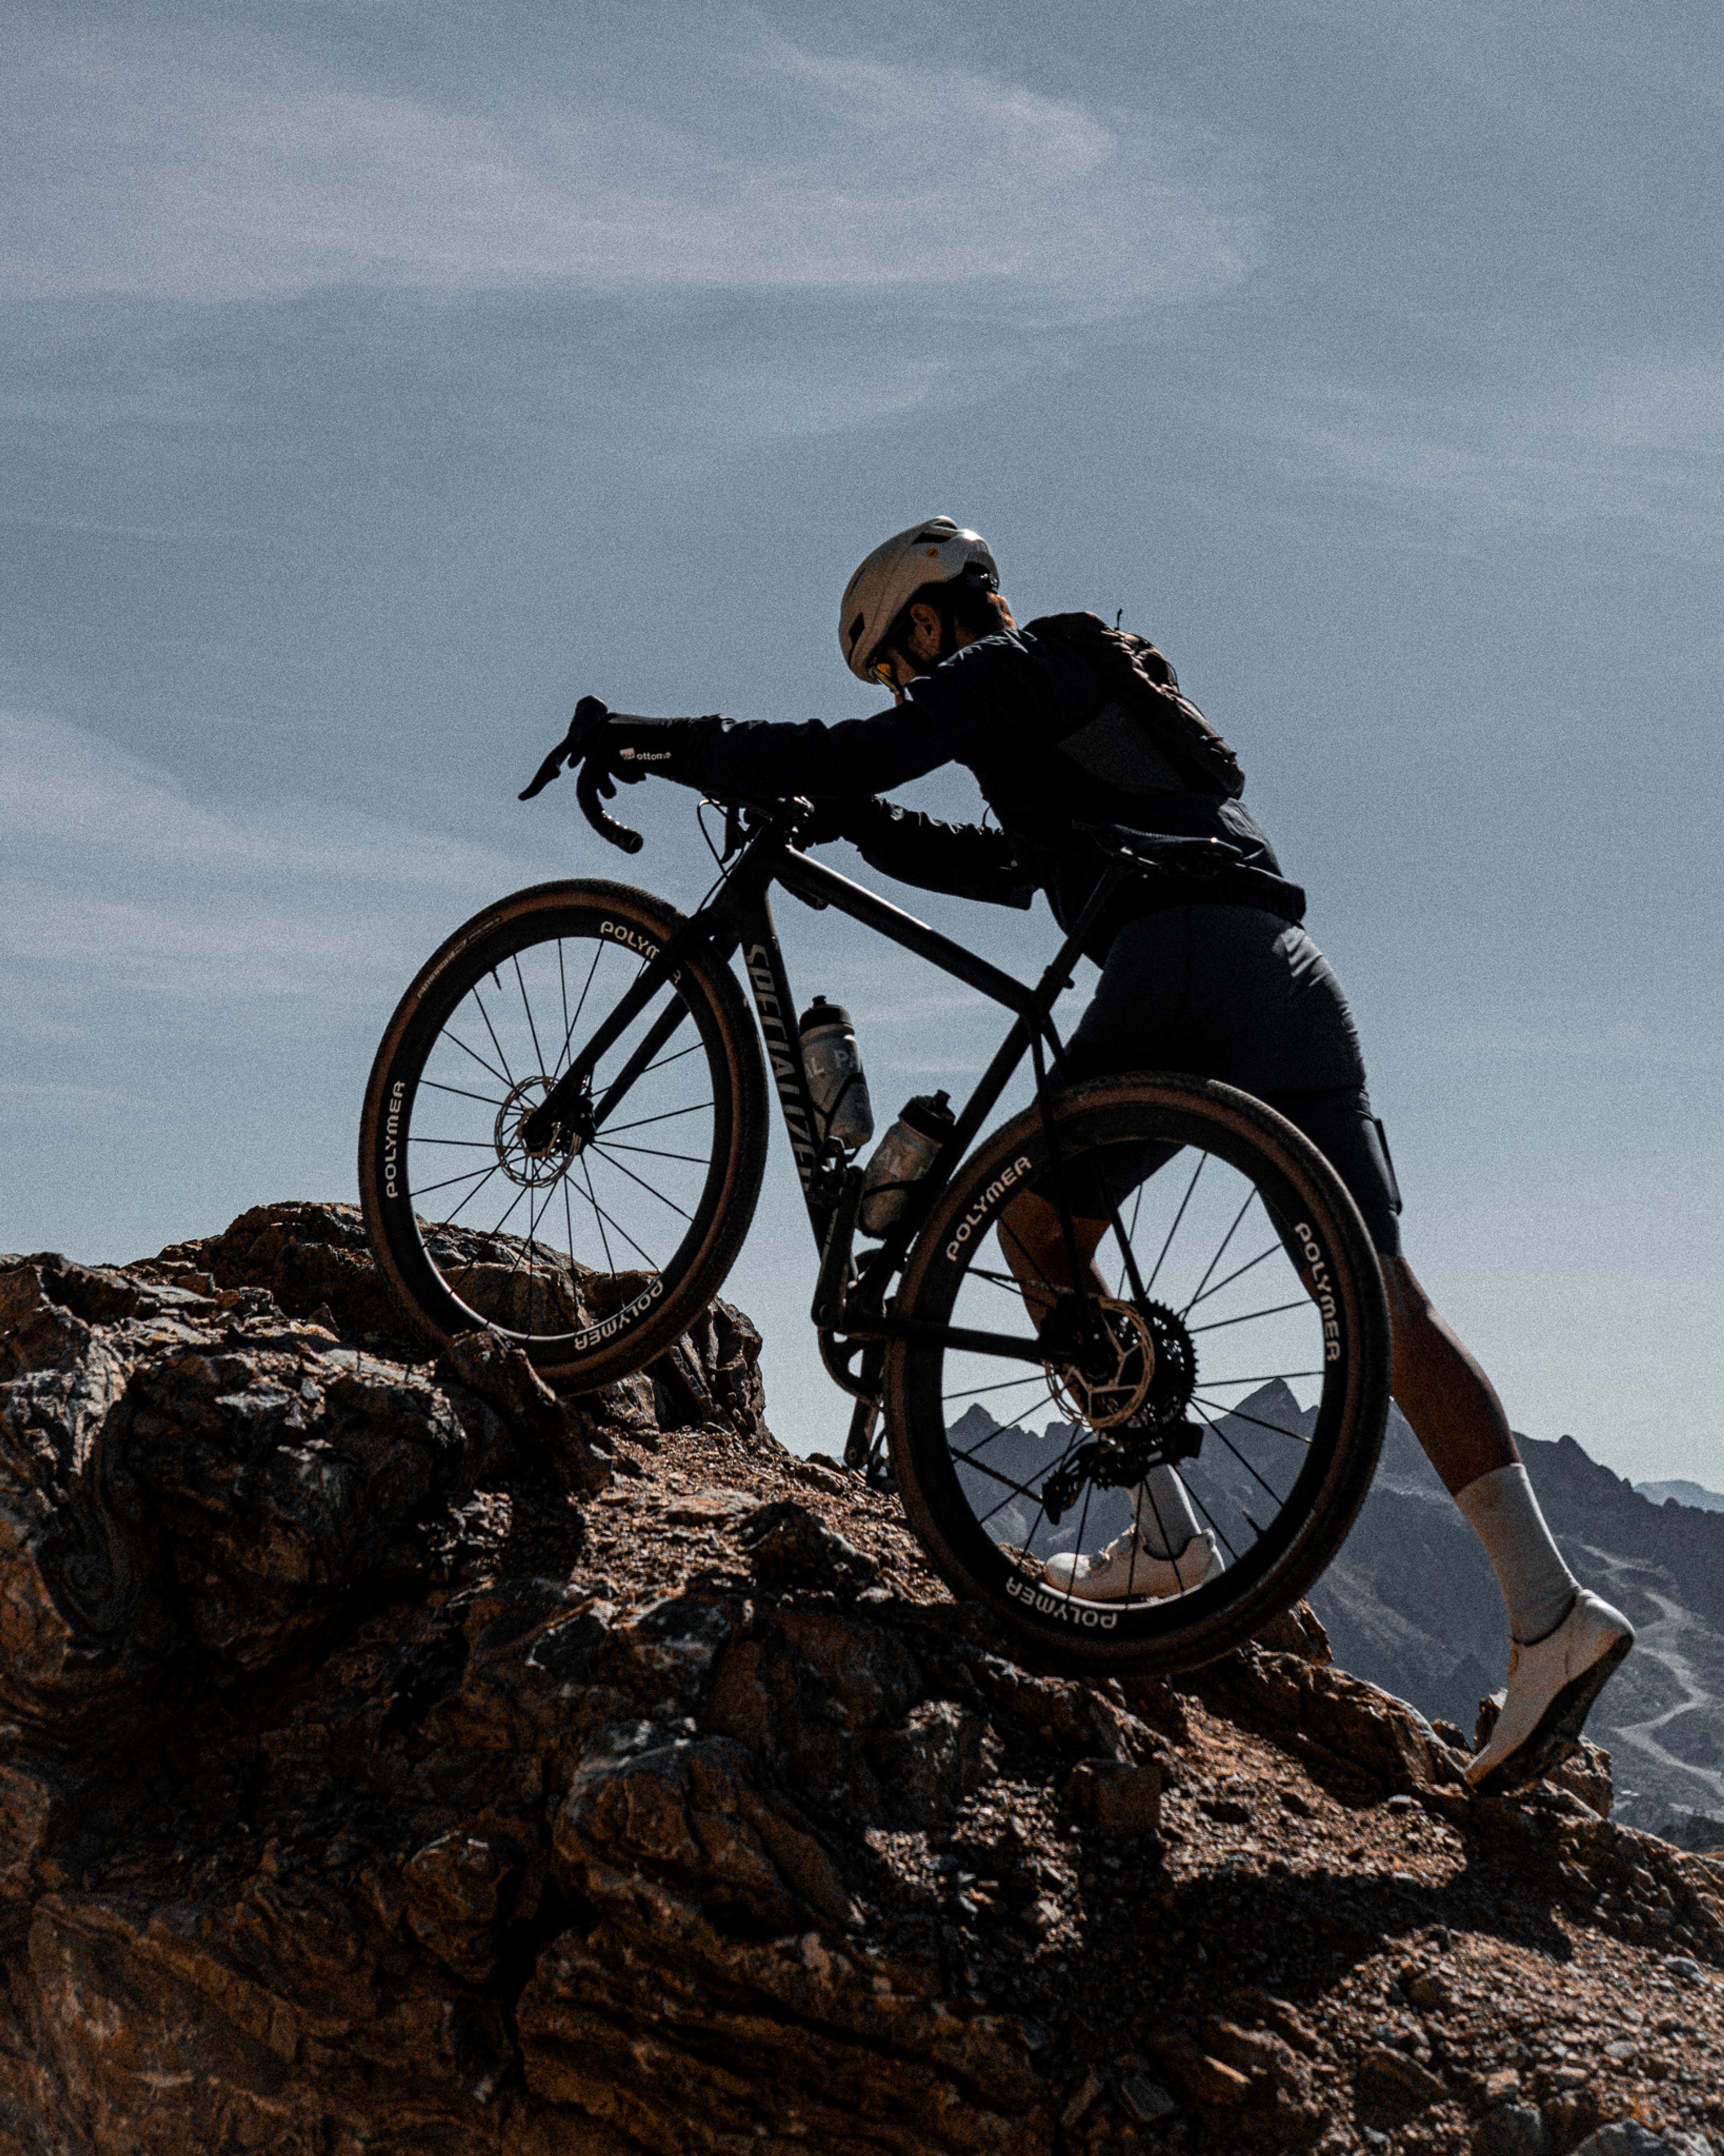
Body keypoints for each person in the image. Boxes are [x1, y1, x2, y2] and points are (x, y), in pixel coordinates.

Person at [578, 516, 1633, 1794]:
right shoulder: (1089, 694)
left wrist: (662, 742)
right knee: (1384, 1301)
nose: (912, 687)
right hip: (1288, 975)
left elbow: (862, 752)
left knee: (1028, 1225)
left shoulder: (1010, 662)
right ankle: (1548, 1611)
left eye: (903, 663)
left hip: (1177, 956)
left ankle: (1162, 1534)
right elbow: (1012, 866)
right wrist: (846, 834)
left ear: (929, 616)